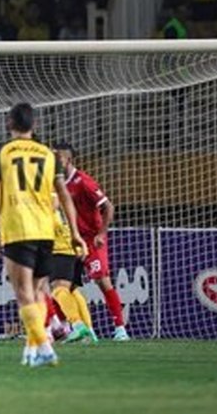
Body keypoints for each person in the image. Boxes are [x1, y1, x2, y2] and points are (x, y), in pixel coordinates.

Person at [0, 103, 83, 367]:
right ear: (34, 124)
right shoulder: (48, 154)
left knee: (23, 292)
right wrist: (75, 232)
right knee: (39, 290)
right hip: (46, 230)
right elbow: (64, 195)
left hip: (18, 227)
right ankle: (32, 348)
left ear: (9, 123)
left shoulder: (2, 151)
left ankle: (44, 346)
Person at [55, 143, 129, 340]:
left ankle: (120, 329)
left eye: (58, 158)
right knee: (63, 287)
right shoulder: (58, 183)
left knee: (102, 281)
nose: (55, 162)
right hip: (73, 240)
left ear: (68, 160)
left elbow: (109, 207)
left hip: (92, 239)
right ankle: (79, 329)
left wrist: (101, 234)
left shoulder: (83, 181)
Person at [46, 193, 96, 344]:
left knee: (59, 290)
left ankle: (77, 325)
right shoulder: (63, 200)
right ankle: (90, 331)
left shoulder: (50, 196)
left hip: (61, 250)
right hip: (73, 249)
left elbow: (52, 211)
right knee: (73, 290)